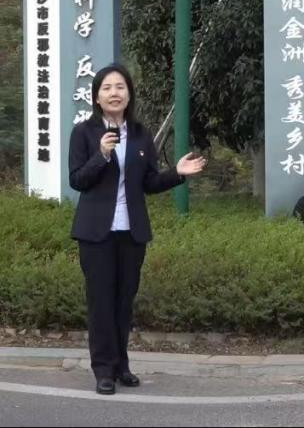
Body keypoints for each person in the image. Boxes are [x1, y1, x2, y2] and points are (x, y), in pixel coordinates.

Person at [69, 63, 206, 395]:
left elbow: (149, 183)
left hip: (132, 233)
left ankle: (121, 366)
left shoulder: (141, 134)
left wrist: (177, 173)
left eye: (120, 87)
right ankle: (103, 370)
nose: (114, 93)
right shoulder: (84, 133)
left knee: (124, 302)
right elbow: (77, 180)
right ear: (97, 97)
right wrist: (101, 155)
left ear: (129, 94)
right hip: (95, 234)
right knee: (101, 303)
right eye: (107, 88)